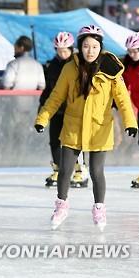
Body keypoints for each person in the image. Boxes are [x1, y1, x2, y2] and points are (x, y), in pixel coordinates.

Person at [35, 25, 138, 232]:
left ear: (100, 47)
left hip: (99, 128)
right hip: (73, 126)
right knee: (65, 170)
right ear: (80, 47)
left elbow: (123, 100)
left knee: (96, 171)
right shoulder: (70, 68)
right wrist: (42, 118)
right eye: (86, 46)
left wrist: (130, 123)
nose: (90, 51)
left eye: (94, 46)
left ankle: (99, 208)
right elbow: (56, 96)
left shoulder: (111, 69)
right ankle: (61, 206)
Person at [40, 32, 89, 188]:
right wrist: (42, 108)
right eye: (59, 50)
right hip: (56, 109)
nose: (62, 54)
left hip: (74, 110)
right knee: (54, 140)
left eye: (65, 50)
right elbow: (48, 89)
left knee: (74, 141)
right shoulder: (52, 65)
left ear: (71, 48)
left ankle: (80, 169)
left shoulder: (78, 64)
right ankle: (58, 168)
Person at [122, 32, 139, 188]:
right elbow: (123, 85)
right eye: (130, 51)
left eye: (135, 51)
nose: (132, 54)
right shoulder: (128, 66)